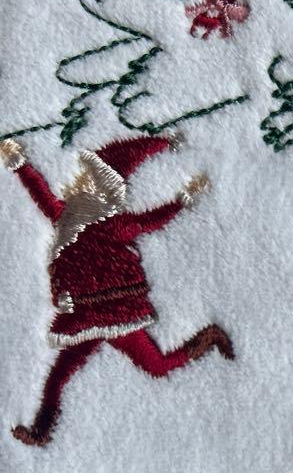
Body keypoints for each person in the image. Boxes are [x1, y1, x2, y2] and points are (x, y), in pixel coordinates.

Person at [1, 135, 233, 447]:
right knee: (58, 376)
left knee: (157, 366)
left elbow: (152, 220)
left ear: (103, 192)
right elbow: (40, 193)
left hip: (116, 316)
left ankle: (210, 336)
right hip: (84, 317)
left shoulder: (114, 225)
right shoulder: (66, 219)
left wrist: (183, 199)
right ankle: (41, 431)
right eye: (81, 182)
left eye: (89, 183)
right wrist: (19, 163)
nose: (78, 186)